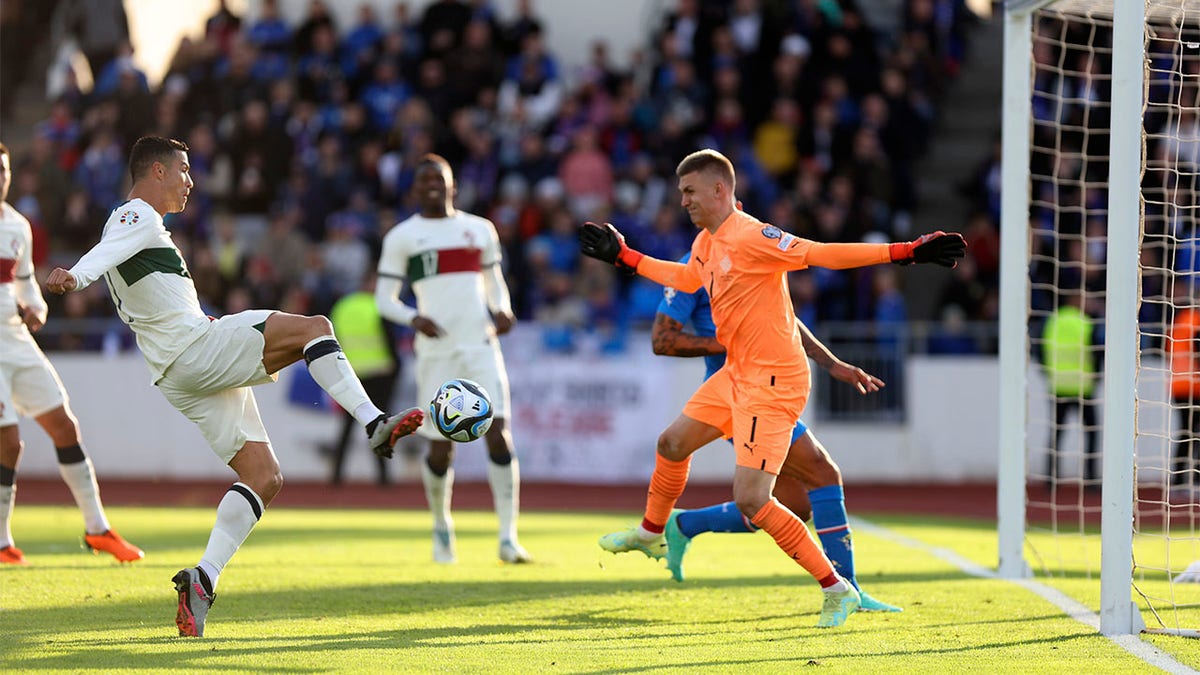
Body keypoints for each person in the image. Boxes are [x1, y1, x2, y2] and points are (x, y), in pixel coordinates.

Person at [44, 136, 424, 637]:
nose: (190, 182)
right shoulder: (136, 214)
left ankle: (202, 579)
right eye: (182, 171)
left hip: (178, 373)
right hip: (195, 349)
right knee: (315, 329)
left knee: (264, 476)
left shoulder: (139, 224)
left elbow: (114, 255)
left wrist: (81, 275)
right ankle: (376, 423)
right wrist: (74, 277)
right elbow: (103, 252)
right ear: (156, 171)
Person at [579, 148, 964, 627]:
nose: (683, 201)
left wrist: (904, 252)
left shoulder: (751, 235)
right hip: (737, 372)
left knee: (754, 499)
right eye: (681, 193)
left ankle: (836, 589)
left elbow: (820, 254)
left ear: (720, 190)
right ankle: (653, 532)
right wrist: (625, 257)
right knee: (672, 443)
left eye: (690, 192)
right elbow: (685, 277)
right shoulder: (708, 242)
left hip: (773, 383)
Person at [638, 255, 900, 612]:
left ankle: (684, 524)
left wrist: (831, 363)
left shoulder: (750, 253)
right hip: (739, 395)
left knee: (794, 503)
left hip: (764, 390)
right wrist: (738, 344)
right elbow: (663, 340)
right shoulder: (692, 269)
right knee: (822, 473)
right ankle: (848, 589)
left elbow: (784, 322)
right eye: (687, 194)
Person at [375, 153, 530, 565]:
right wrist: (414, 317)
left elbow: (494, 282)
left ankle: (508, 537)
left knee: (498, 431)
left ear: (452, 186)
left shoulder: (479, 230)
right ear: (414, 188)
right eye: (423, 179)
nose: (432, 185)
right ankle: (442, 528)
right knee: (441, 447)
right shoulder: (402, 237)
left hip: (480, 345)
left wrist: (503, 309)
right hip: (437, 352)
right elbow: (383, 300)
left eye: (438, 179)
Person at [0, 142, 143, 566]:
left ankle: (98, 528)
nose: (0, 177)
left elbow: (26, 285)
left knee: (64, 425)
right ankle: (2, 539)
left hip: (16, 341)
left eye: (3, 169)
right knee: (9, 443)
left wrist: (37, 309)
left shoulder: (18, 226)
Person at [326, 273, 401, 485]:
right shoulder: (379, 306)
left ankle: (336, 475)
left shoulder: (343, 306)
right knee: (379, 424)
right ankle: (383, 476)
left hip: (351, 373)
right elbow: (389, 340)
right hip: (379, 372)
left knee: (347, 426)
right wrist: (396, 367)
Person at [1040, 290, 1101, 488]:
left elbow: (1041, 350)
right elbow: (1096, 352)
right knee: (1091, 432)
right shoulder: (1084, 324)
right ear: (1076, 300)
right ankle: (1090, 478)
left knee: (1057, 433)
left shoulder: (1053, 322)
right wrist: (1097, 376)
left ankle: (1050, 478)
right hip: (1083, 386)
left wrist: (1048, 373)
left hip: (1058, 385)